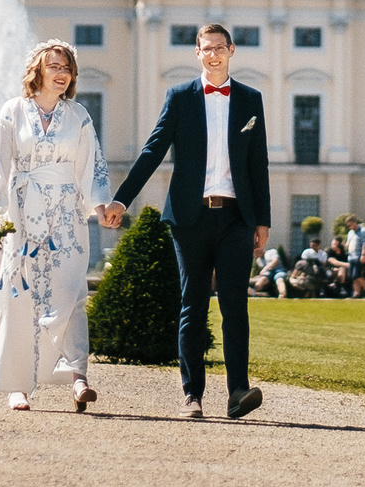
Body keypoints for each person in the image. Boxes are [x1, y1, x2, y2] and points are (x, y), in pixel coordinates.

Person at [100, 23, 270, 420]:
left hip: (236, 218)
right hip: (190, 219)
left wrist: (262, 219)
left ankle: (237, 392)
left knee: (235, 307)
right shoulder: (180, 98)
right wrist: (122, 199)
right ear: (197, 53)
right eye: (205, 49)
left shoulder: (250, 99)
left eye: (219, 48)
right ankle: (191, 395)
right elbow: (153, 149)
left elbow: (257, 163)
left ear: (231, 51)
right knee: (192, 305)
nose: (213, 55)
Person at [0, 39, 111, 413]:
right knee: (18, 297)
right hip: (21, 216)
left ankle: (78, 376)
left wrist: (100, 204)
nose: (62, 74)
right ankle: (19, 386)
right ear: (38, 71)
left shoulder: (80, 116)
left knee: (71, 292)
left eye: (67, 68)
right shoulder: (13, 112)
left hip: (66, 218)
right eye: (54, 67)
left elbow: (91, 165)